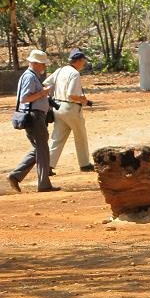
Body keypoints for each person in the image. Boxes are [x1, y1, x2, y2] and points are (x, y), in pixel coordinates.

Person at [7, 48, 59, 194]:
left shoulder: (31, 76)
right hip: (34, 116)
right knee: (42, 149)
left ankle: (16, 175)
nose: (44, 66)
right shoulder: (30, 77)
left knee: (40, 148)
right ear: (35, 63)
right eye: (42, 64)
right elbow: (24, 98)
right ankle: (43, 184)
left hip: (35, 116)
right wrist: (43, 93)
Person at [44, 47, 94, 174]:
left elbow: (45, 84)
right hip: (71, 108)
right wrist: (83, 99)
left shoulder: (60, 70)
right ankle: (84, 164)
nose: (84, 63)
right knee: (80, 136)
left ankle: (48, 166)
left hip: (58, 107)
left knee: (57, 138)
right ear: (78, 60)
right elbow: (71, 95)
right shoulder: (74, 73)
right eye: (83, 61)